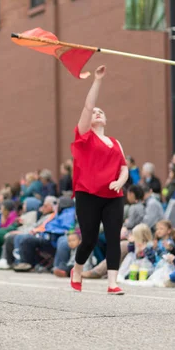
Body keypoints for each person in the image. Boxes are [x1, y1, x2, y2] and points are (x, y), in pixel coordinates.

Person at [70, 65, 129, 295]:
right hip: (88, 194)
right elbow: (87, 106)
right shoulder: (84, 137)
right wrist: (97, 81)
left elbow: (124, 168)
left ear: (106, 119)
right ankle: (77, 270)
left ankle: (112, 283)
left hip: (113, 195)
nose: (96, 113)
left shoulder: (115, 142)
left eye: (100, 112)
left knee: (114, 236)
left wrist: (120, 182)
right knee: (90, 239)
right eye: (95, 112)